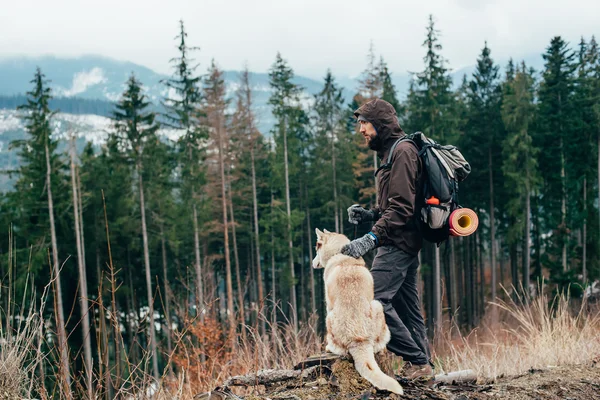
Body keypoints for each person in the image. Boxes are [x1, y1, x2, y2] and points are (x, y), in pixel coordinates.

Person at [340, 98, 433, 380]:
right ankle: (423, 366)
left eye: (364, 124)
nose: (361, 130)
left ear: (380, 124)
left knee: (370, 303)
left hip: (397, 244)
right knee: (407, 307)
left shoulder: (403, 152)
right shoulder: (391, 152)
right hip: (400, 241)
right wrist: (369, 215)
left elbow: (403, 209)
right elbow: (393, 206)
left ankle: (417, 361)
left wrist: (370, 238)